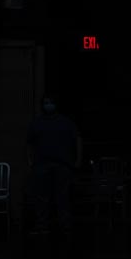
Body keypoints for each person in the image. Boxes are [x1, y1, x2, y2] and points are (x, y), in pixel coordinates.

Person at [26, 93, 82, 236]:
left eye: (50, 102)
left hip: (62, 164)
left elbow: (77, 139)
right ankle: (42, 225)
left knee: (62, 197)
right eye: (46, 102)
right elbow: (29, 143)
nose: (48, 105)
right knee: (42, 198)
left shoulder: (65, 122)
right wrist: (30, 160)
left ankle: (65, 227)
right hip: (42, 165)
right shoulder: (37, 123)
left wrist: (77, 160)